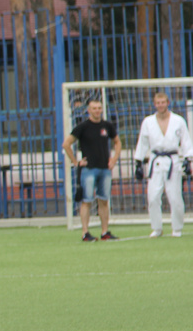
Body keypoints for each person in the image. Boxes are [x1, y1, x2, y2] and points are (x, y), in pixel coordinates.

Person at [134, 91, 193, 238]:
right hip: (156, 161)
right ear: (154, 104)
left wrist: (188, 159)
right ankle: (157, 228)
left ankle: (177, 228)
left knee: (175, 197)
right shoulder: (148, 122)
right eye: (158, 103)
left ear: (168, 103)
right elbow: (142, 142)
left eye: (163, 102)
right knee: (153, 197)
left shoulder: (178, 120)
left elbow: (186, 141)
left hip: (173, 160)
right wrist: (138, 162)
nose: (160, 105)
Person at [63, 99, 122, 241]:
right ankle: (85, 232)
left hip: (104, 169)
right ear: (89, 110)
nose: (97, 111)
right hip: (88, 170)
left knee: (104, 200)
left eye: (99, 108)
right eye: (94, 108)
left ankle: (105, 232)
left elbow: (117, 142)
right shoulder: (83, 127)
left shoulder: (107, 126)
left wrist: (114, 159)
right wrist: (76, 162)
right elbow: (66, 144)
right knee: (87, 201)